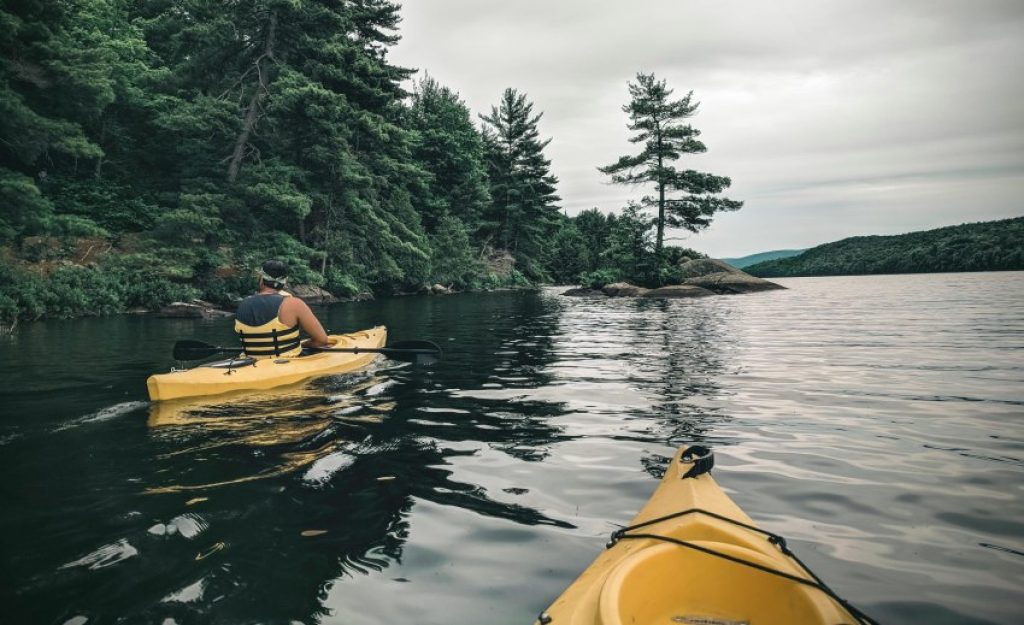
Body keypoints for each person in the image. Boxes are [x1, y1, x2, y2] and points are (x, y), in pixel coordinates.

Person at [234, 260, 331, 358]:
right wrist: (302, 345)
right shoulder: (294, 304)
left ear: (261, 279)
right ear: (285, 282)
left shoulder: (242, 304)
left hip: (250, 363)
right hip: (285, 364)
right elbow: (321, 341)